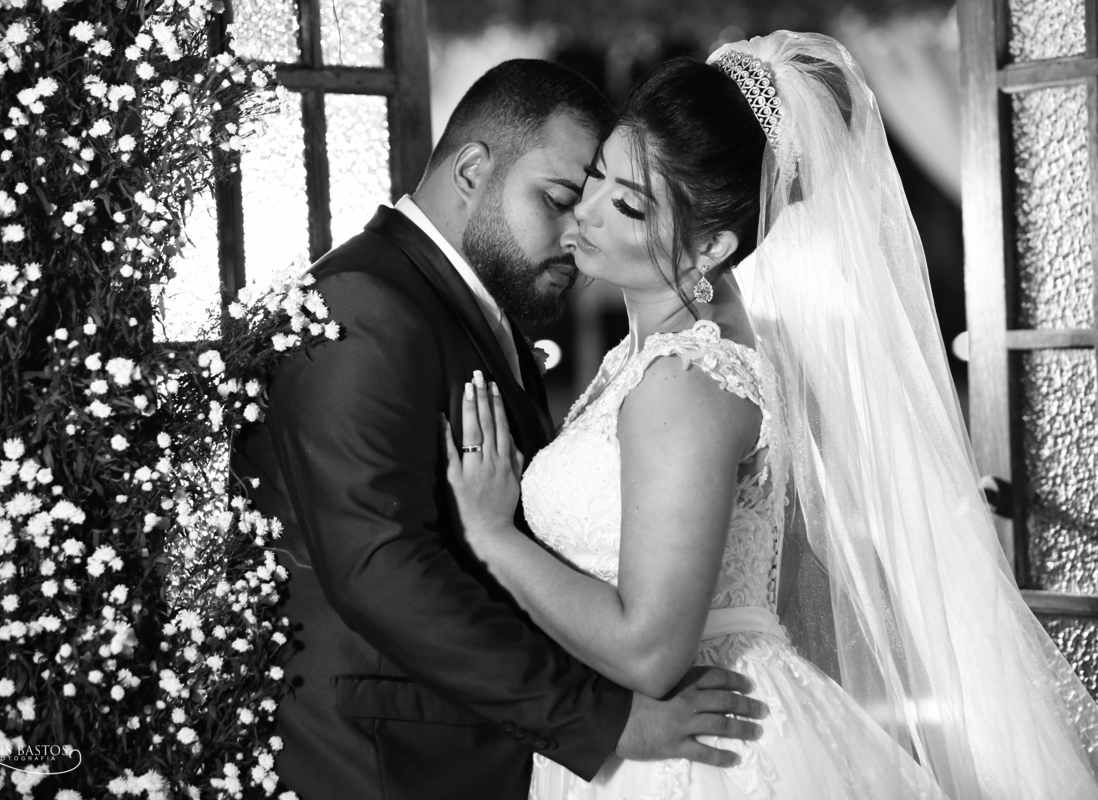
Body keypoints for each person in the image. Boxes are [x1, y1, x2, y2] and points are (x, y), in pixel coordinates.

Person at [444, 33, 1098, 799]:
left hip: (695, 753)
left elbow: (651, 651)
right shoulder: (645, 357)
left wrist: (492, 536)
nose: (583, 212)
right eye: (595, 178)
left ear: (712, 246)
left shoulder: (688, 379)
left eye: (627, 204)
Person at [230, 59, 768, 800]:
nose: (579, 227)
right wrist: (603, 721)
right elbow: (380, 567)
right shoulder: (362, 305)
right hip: (386, 762)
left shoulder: (494, 317)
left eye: (615, 199)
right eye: (563, 196)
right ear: (472, 170)